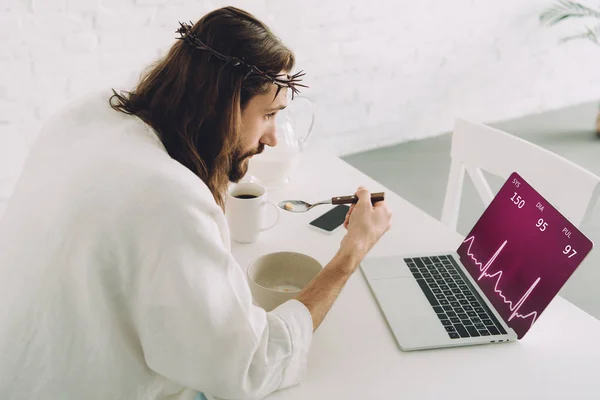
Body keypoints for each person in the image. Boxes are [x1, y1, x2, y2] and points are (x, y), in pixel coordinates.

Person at [0, 6, 392, 400]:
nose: (273, 138)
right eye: (268, 115)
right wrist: (349, 255)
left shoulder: (87, 116)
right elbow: (249, 368)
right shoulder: (168, 197)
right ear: (221, 108)